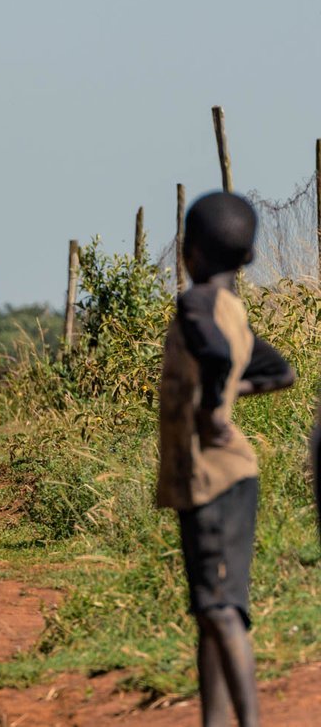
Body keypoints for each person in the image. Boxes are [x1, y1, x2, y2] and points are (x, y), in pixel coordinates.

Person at [157, 191, 295, 727]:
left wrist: (215, 405)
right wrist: (231, 391)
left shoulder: (194, 304)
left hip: (212, 476)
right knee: (211, 611)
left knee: (218, 609)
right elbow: (279, 371)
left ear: (188, 252)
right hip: (229, 478)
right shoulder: (231, 308)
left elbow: (216, 356)